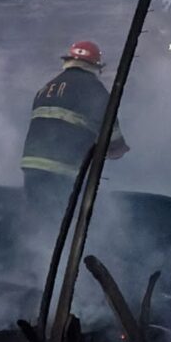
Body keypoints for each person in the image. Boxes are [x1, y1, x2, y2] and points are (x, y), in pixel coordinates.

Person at [20, 40, 129, 219]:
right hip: (62, 169)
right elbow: (110, 127)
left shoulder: (47, 87)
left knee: (37, 218)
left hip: (31, 166)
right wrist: (118, 148)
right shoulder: (93, 88)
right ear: (94, 66)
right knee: (60, 218)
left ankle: (32, 244)